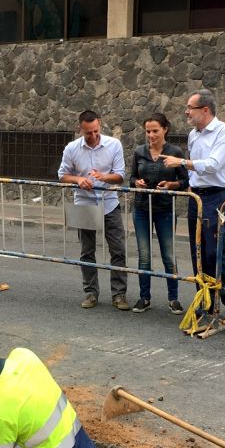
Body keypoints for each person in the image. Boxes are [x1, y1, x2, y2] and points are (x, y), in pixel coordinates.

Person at [159, 89, 225, 326]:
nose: (186, 112)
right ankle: (204, 304)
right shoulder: (194, 134)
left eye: (190, 108)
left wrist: (182, 162)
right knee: (197, 253)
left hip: (219, 197)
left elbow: (213, 165)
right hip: (197, 197)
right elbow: (197, 170)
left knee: (214, 253)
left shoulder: (224, 132)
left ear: (205, 110)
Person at [58, 110, 129, 310]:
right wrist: (78, 179)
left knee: (118, 250)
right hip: (84, 204)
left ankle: (119, 294)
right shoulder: (72, 148)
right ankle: (90, 292)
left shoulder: (114, 145)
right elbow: (62, 175)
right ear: (80, 129)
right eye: (88, 133)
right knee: (87, 251)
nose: (93, 136)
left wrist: (104, 177)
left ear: (100, 125)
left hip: (109, 203)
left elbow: (120, 175)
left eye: (96, 131)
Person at [129, 113, 189, 314]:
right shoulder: (139, 152)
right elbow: (131, 177)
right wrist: (136, 182)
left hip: (165, 210)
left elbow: (185, 182)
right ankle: (144, 297)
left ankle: (174, 299)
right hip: (141, 209)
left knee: (169, 256)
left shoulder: (175, 152)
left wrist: (172, 184)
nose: (151, 135)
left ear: (165, 129)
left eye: (155, 130)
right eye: (148, 131)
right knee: (144, 255)